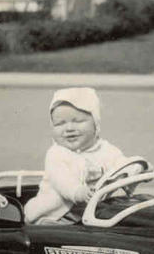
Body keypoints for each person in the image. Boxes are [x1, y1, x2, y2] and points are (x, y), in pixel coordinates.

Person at [24, 87, 130, 224]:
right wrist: (77, 191)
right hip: (53, 215)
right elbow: (61, 180)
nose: (69, 128)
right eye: (60, 124)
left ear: (95, 124)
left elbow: (122, 163)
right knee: (51, 228)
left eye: (78, 121)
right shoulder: (56, 153)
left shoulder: (106, 150)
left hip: (88, 213)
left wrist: (136, 167)